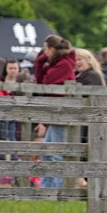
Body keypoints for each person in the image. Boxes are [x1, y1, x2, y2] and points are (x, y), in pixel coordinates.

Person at [34, 34, 76, 189]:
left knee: (55, 153)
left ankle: (57, 189)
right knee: (47, 152)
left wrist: (42, 65)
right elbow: (40, 81)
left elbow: (46, 82)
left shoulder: (64, 64)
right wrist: (41, 63)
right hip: (54, 112)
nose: (44, 53)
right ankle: (47, 189)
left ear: (51, 49)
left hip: (61, 113)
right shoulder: (56, 64)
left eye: (46, 49)